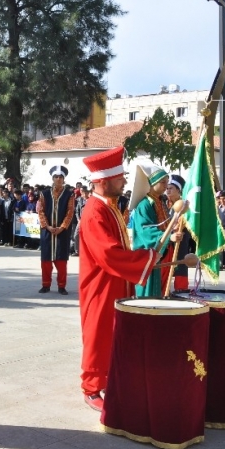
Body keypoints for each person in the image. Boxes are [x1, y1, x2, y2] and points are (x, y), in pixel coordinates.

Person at [77, 147, 161, 412]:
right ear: (103, 181)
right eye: (120, 177)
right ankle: (91, 387)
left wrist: (146, 257)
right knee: (98, 333)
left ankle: (111, 379)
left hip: (115, 283)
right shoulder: (94, 212)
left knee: (113, 333)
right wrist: (146, 258)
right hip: (100, 285)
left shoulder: (109, 207)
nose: (125, 181)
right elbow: (108, 253)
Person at [129, 163, 177, 297]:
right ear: (153, 183)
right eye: (162, 182)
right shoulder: (145, 205)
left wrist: (172, 233)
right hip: (148, 253)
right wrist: (168, 237)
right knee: (147, 289)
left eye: (167, 182)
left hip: (161, 251)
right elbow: (145, 230)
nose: (166, 186)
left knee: (159, 289)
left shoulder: (161, 202)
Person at [38, 166, 74, 294]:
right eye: (56, 177)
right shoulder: (44, 194)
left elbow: (70, 212)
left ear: (64, 179)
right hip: (47, 231)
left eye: (60, 177)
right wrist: (47, 226)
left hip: (62, 232)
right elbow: (40, 211)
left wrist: (62, 227)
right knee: (46, 260)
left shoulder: (70, 194)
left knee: (61, 260)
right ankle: (46, 285)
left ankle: (61, 286)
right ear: (52, 178)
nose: (58, 179)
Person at [165, 174, 192, 292]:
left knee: (180, 263)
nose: (168, 190)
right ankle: (164, 289)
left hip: (181, 238)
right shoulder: (164, 203)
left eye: (171, 188)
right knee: (166, 264)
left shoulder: (184, 205)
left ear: (178, 190)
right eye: (167, 188)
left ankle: (181, 289)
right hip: (167, 238)